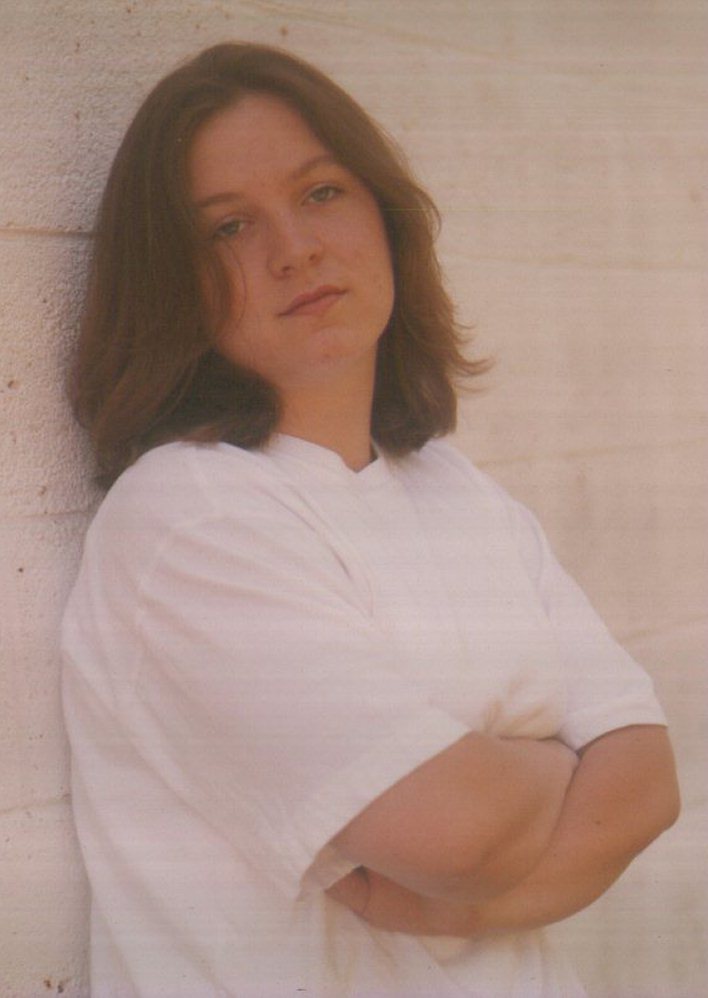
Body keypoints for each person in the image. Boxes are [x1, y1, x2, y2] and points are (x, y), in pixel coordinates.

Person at [61, 42, 680, 997]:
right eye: (228, 227)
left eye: (321, 193)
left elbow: (647, 783)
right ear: (171, 283)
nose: (294, 249)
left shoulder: (456, 491)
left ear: (385, 215)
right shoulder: (186, 522)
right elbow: (456, 834)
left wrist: (464, 901)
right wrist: (556, 770)